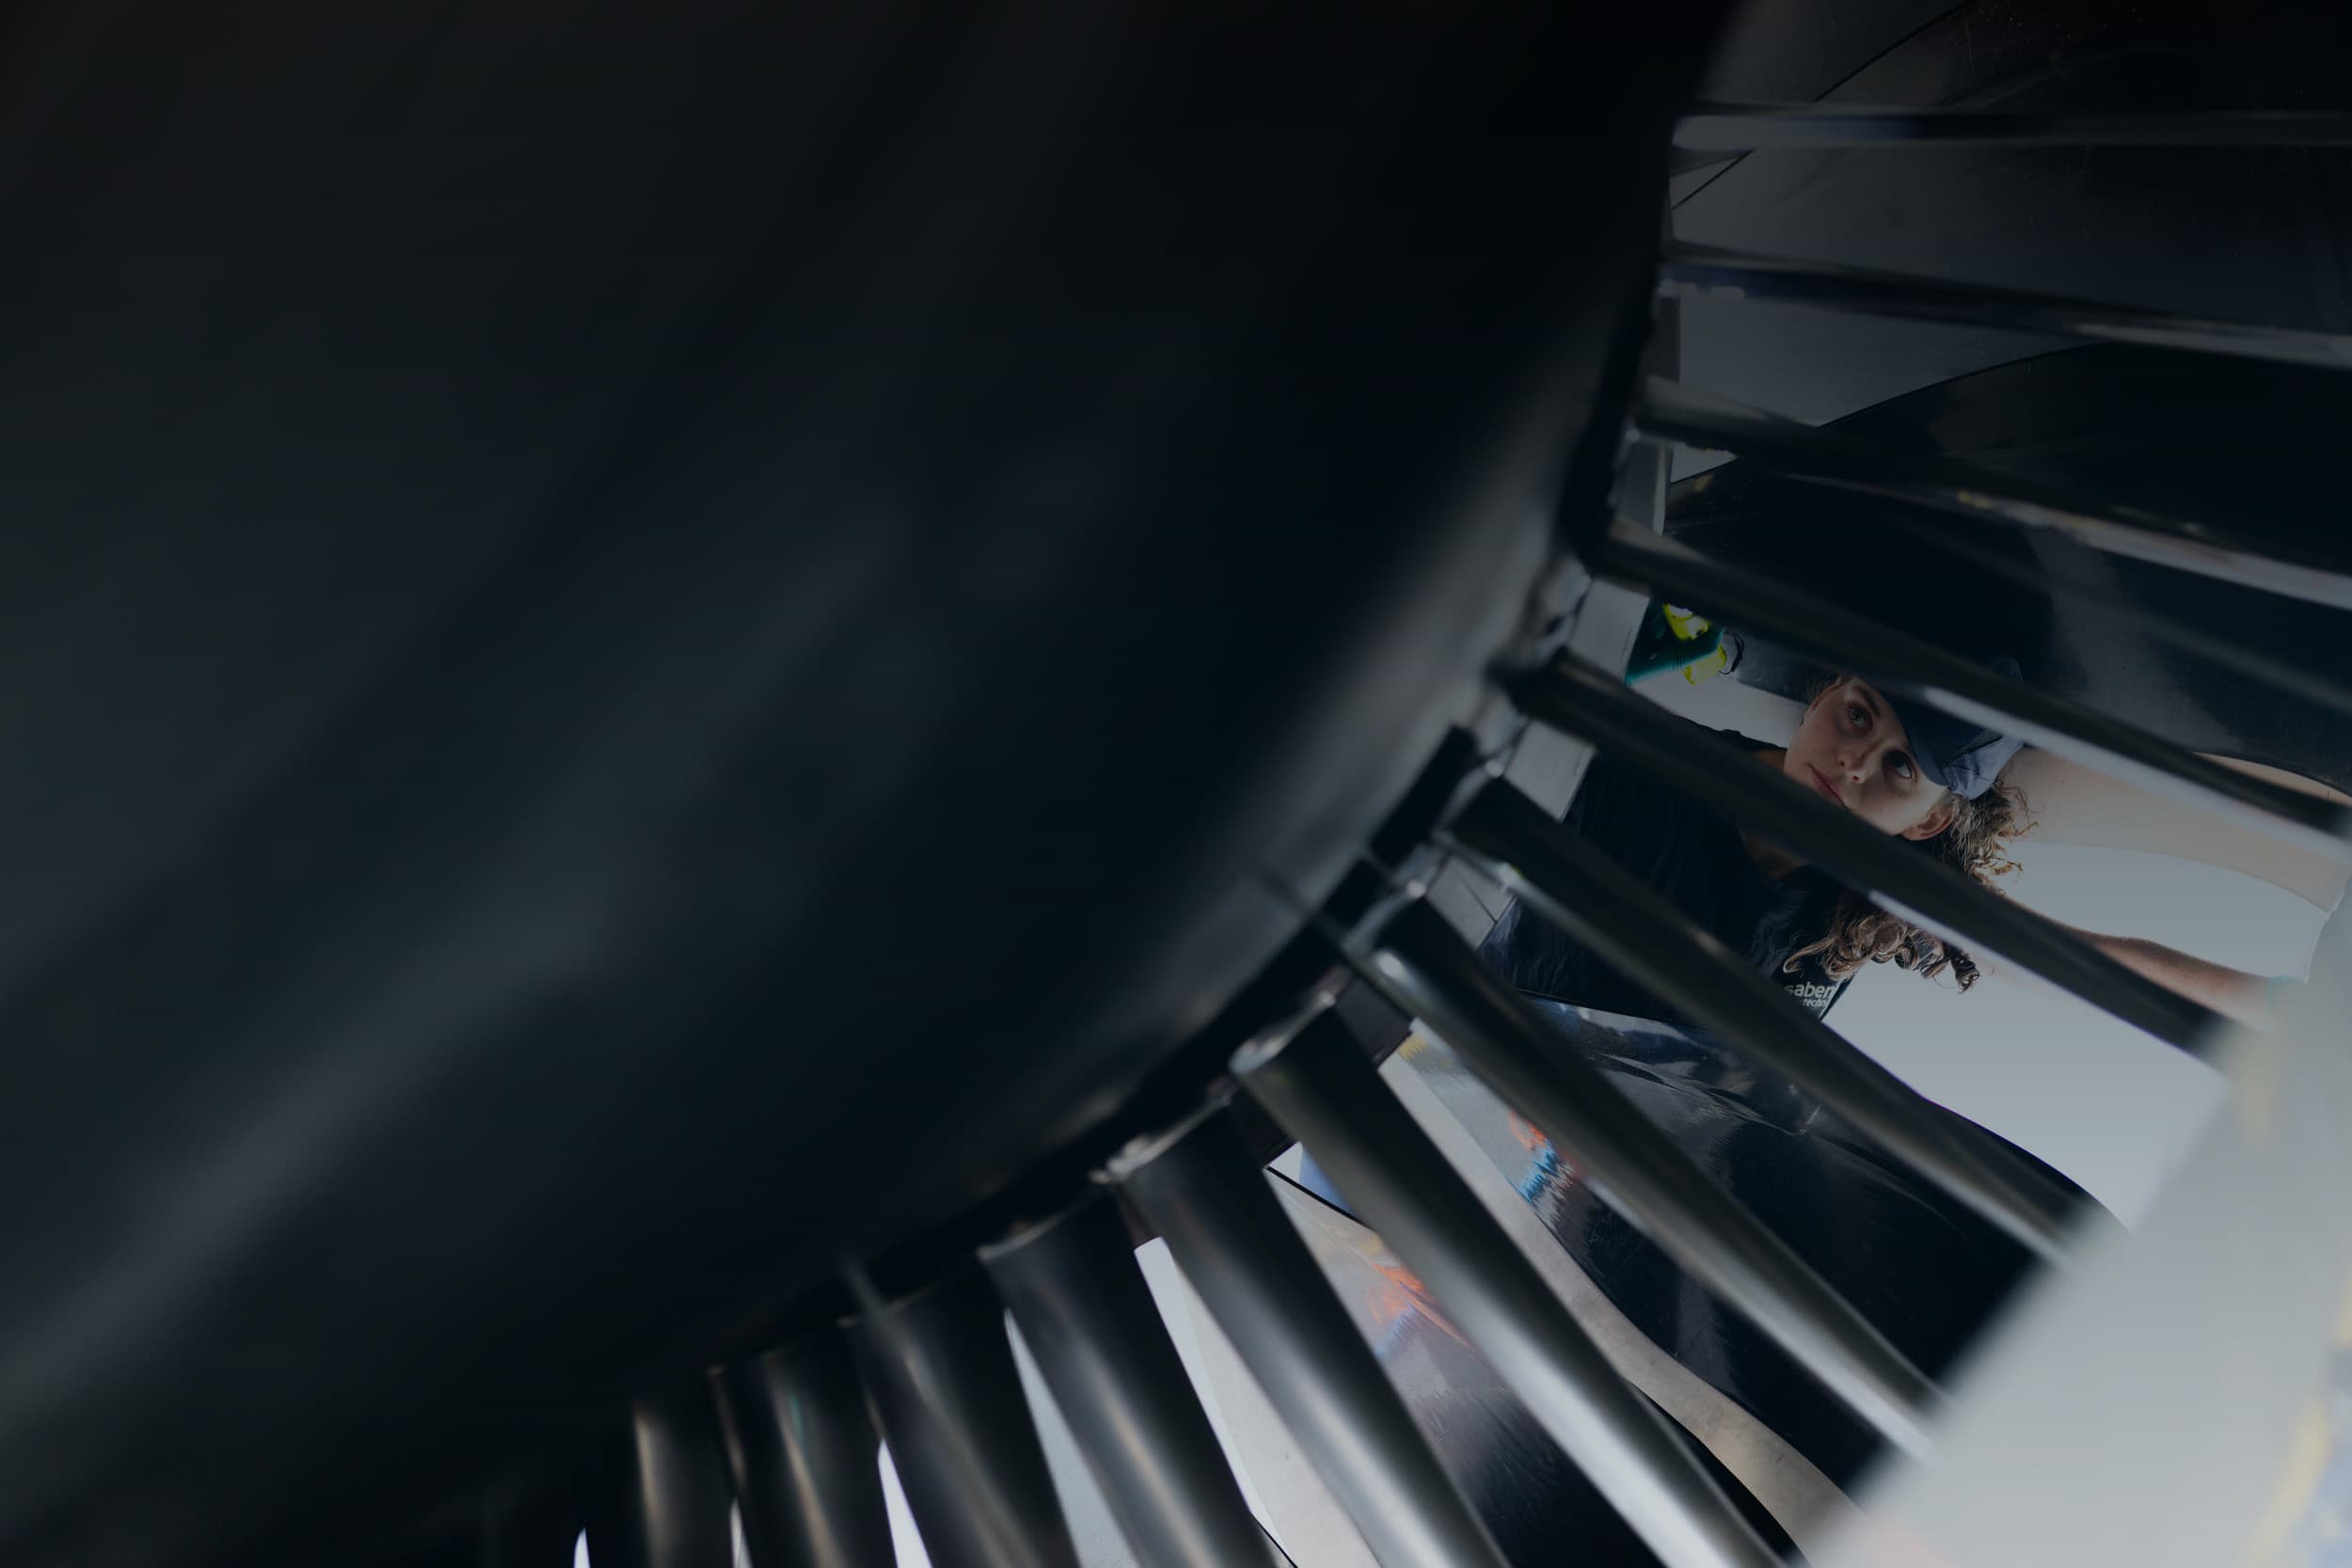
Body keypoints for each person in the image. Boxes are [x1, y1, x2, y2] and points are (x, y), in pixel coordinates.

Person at [1479, 663, 2280, 1028]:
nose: (1855, 763)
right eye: (1858, 715)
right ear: (1826, 691)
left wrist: (2290, 1012)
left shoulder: (1862, 918)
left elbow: (2079, 958)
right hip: (1465, 1029)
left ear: (1929, 820)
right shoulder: (1642, 756)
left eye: (1901, 767)